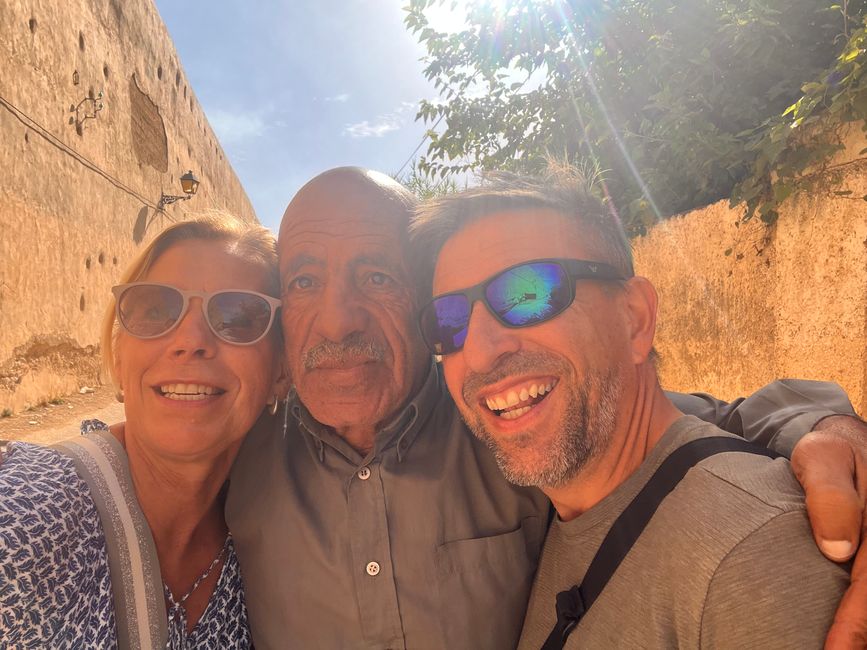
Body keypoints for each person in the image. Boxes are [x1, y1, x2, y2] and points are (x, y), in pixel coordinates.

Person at [227, 167, 867, 649]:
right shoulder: (237, 463)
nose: (339, 320)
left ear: (635, 315)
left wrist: (828, 430)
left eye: (530, 293)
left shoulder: (505, 433)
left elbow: (694, 427)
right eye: (304, 281)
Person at [409, 171, 854, 647]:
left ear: (635, 319)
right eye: (449, 322)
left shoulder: (751, 559)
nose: (478, 352)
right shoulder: (571, 513)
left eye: (528, 294)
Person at [0, 215, 285, 648]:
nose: (190, 339)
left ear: (281, 372)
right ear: (119, 352)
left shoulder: (269, 550)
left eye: (238, 316)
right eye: (155, 309)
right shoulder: (27, 510)